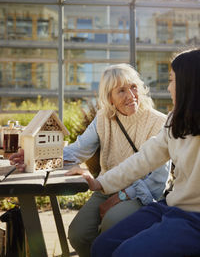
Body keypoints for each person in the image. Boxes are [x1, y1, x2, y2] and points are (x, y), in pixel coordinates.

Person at [10, 63, 170, 257]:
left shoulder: (159, 122)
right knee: (78, 234)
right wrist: (32, 156)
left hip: (141, 193)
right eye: (121, 90)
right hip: (107, 186)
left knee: (111, 224)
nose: (131, 95)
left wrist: (120, 197)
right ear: (109, 97)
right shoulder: (103, 118)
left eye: (134, 87)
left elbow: (158, 180)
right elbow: (77, 151)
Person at [83, 49, 200, 257]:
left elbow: (154, 178)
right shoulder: (175, 121)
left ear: (188, 85)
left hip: (194, 218)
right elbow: (143, 160)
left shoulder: (160, 120)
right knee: (101, 247)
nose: (168, 87)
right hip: (170, 206)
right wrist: (100, 183)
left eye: (172, 80)